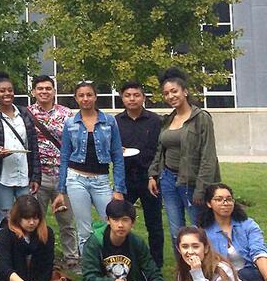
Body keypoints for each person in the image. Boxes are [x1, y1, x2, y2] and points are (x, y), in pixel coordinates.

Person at [0, 195, 124, 281]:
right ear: (18, 218)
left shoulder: (46, 233)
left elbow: (46, 268)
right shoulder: (6, 235)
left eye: (35, 218)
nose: (32, 222)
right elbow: (5, 268)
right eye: (27, 219)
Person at [149, 68, 220, 247]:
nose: (171, 96)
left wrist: (201, 188)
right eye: (166, 93)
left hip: (192, 183)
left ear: (185, 91)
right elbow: (160, 149)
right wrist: (153, 174)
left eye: (174, 91)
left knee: (200, 232)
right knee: (176, 231)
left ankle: (205, 271)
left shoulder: (201, 118)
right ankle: (183, 273)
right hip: (168, 180)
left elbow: (208, 156)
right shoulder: (168, 120)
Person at [53, 82, 126, 255]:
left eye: (89, 95)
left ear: (95, 97)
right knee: (84, 230)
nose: (85, 99)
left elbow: (117, 155)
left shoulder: (109, 121)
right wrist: (61, 191)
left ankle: (112, 264)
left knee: (111, 224)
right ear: (76, 98)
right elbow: (64, 157)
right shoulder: (70, 123)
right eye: (81, 95)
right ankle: (89, 270)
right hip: (76, 179)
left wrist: (118, 189)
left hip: (101, 180)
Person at [79, 199, 175, 281]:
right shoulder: (94, 243)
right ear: (108, 220)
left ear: (132, 223)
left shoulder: (137, 242)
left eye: (125, 220)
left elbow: (153, 273)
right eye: (115, 220)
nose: (120, 225)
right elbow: (89, 278)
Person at [26, 75, 79, 269]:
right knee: (34, 219)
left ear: (54, 91)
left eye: (48, 88)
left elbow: (75, 142)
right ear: (33, 92)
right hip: (37, 176)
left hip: (62, 175)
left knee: (66, 219)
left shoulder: (67, 114)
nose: (44, 92)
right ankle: (36, 257)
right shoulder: (26, 114)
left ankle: (72, 258)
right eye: (40, 89)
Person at [0, 72, 40, 225]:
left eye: (10, 90)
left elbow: (33, 146)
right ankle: (5, 247)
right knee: (5, 218)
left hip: (25, 175)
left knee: (27, 215)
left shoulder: (25, 114)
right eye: (2, 91)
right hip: (2, 177)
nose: (7, 93)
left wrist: (36, 177)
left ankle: (26, 248)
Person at [115, 82, 164, 268]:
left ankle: (156, 263)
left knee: (155, 224)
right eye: (128, 95)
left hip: (150, 178)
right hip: (126, 177)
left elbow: (160, 149)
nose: (132, 99)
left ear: (143, 97)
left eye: (136, 95)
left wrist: (154, 175)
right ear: (122, 98)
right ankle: (123, 259)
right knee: (121, 221)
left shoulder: (155, 120)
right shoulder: (117, 121)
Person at [199, 183, 267, 281]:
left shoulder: (248, 225)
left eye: (229, 199)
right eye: (219, 199)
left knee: (246, 274)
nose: (225, 203)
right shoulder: (203, 232)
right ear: (209, 203)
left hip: (252, 276)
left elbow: (259, 253)